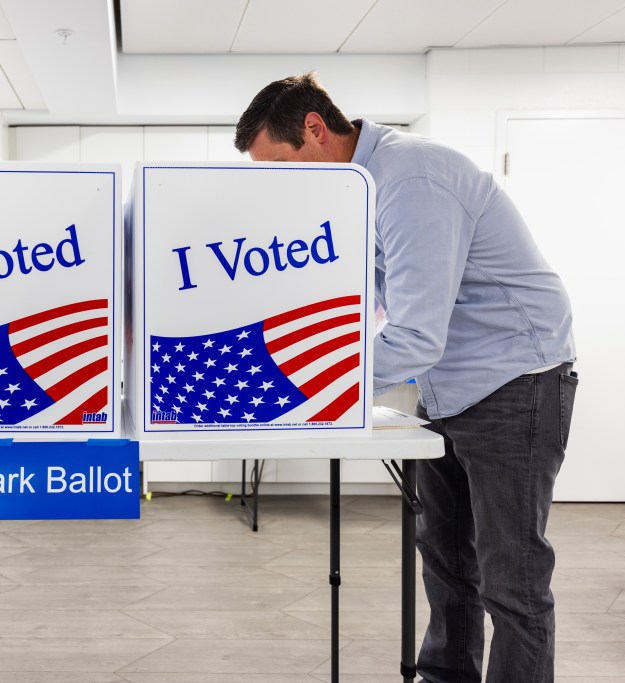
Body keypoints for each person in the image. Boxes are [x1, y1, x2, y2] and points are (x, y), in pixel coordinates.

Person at [235, 73, 577, 683]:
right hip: (450, 387)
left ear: (315, 129)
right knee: (445, 561)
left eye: (280, 167)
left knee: (512, 579)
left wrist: (321, 387)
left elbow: (418, 334)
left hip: (516, 381)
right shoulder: (364, 189)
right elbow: (372, 304)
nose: (279, 189)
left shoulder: (411, 178)